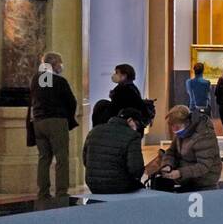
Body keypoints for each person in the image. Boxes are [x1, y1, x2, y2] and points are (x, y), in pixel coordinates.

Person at [28, 51, 79, 199]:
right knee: (61, 158)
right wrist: (68, 117)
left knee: (44, 158)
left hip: (38, 122)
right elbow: (71, 102)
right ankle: (61, 192)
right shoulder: (59, 81)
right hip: (56, 121)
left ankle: (43, 192)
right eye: (60, 63)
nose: (61, 66)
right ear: (54, 64)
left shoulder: (35, 79)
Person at [145, 104, 222, 190]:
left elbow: (204, 166)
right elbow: (171, 151)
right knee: (158, 181)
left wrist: (180, 173)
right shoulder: (182, 132)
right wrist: (167, 165)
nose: (174, 130)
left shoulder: (204, 135)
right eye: (172, 127)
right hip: (186, 172)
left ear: (187, 122)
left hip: (204, 178)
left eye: (177, 127)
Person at [83, 107, 145, 194]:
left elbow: (85, 161)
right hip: (119, 186)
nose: (137, 128)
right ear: (130, 120)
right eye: (137, 125)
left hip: (93, 184)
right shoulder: (133, 136)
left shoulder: (94, 131)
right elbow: (136, 169)